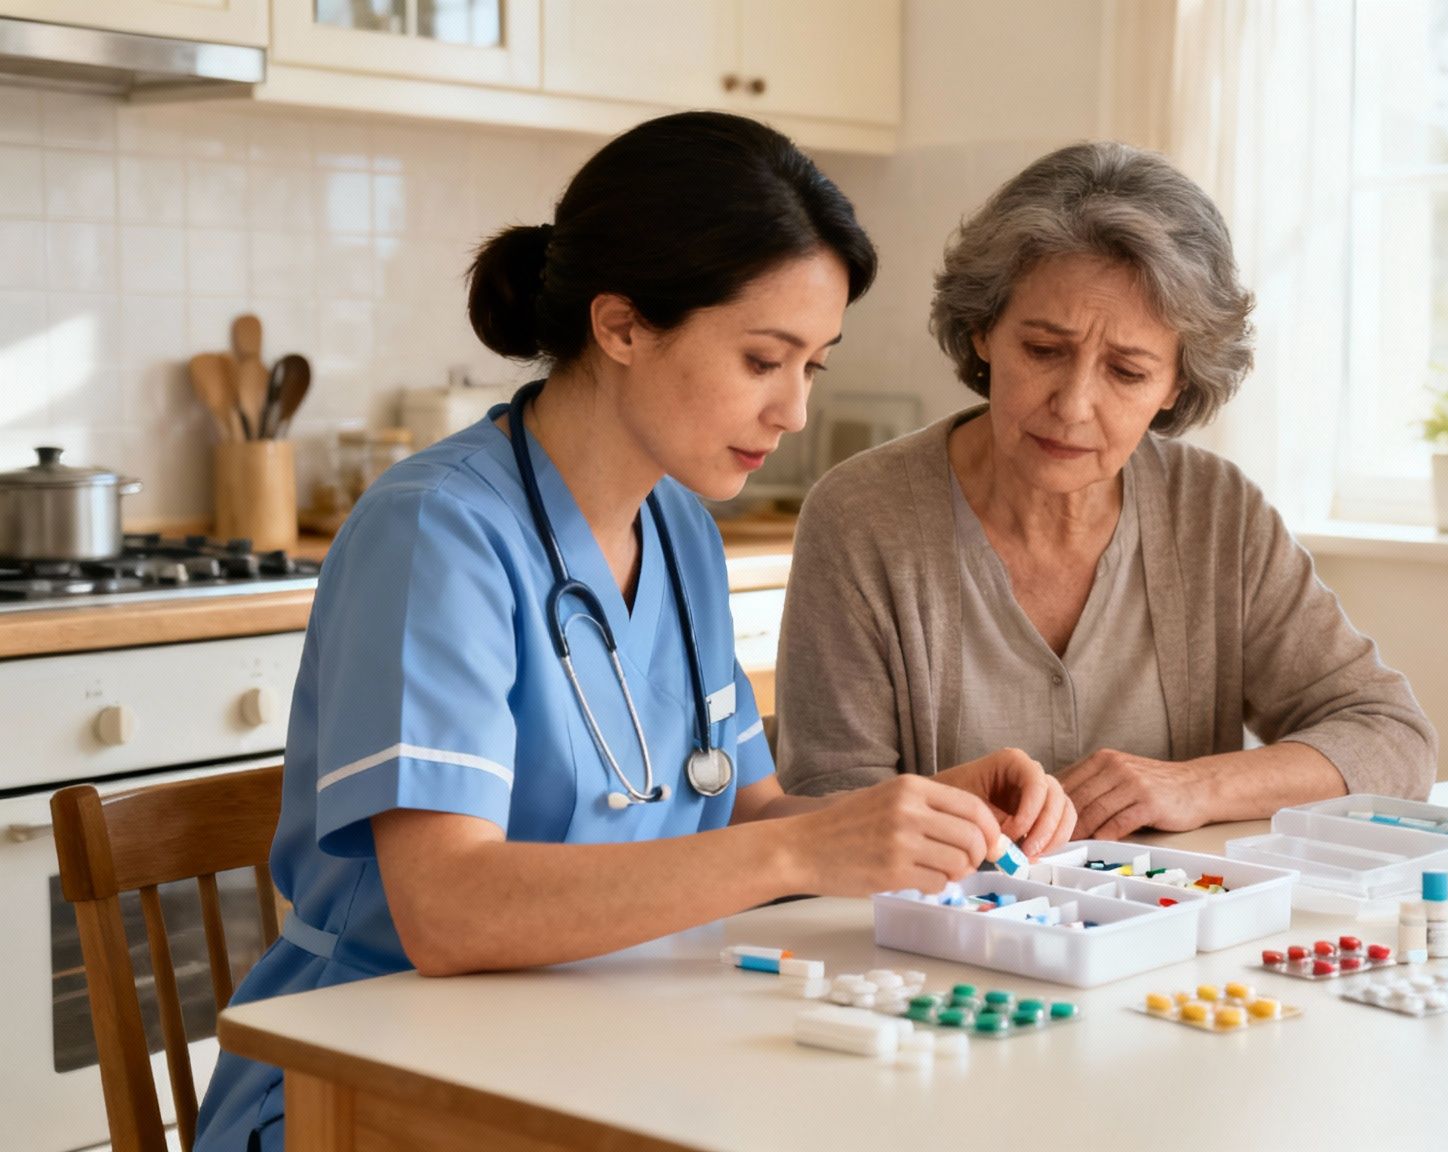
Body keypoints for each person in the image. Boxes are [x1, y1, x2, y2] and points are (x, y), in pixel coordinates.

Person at [193, 112, 1072, 1152]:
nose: (792, 410)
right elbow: (447, 910)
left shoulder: (681, 531)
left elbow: (741, 812)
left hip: (609, 1043)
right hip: (376, 1087)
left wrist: (902, 818)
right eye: (761, 359)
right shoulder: (440, 532)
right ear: (619, 326)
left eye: (812, 367)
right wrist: (801, 844)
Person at [774, 142, 1438, 841]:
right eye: (1043, 350)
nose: (1073, 404)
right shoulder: (861, 517)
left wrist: (1196, 784)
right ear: (983, 331)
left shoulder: (1215, 511)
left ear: (1177, 383)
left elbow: (1393, 739)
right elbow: (828, 810)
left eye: (1126, 371)